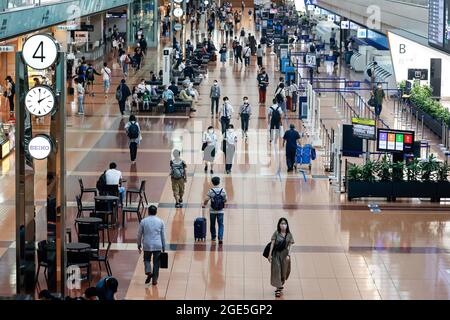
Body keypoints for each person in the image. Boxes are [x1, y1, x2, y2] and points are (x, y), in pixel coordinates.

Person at [137, 205, 166, 286]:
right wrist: (164, 246)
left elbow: (139, 234)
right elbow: (163, 235)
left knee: (146, 260)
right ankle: (154, 281)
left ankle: (148, 271)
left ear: (148, 212)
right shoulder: (160, 221)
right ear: (156, 212)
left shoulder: (143, 221)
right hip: (157, 245)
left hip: (147, 245)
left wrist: (138, 244)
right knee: (156, 263)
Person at [267, 218, 294, 298]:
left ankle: (281, 284)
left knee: (283, 271)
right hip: (276, 255)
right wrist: (269, 254)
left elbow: (290, 245)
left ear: (287, 225)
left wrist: (289, 255)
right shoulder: (276, 233)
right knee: (277, 270)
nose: (283, 225)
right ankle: (278, 288)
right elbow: (272, 243)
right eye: (281, 223)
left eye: (285, 223)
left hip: (285, 255)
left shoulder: (289, 234)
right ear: (279, 224)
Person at [202, 176, 228, 244]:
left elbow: (206, 199)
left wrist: (204, 205)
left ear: (212, 183)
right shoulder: (223, 190)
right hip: (220, 211)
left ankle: (213, 237)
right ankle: (220, 238)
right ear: (219, 182)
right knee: (221, 224)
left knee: (212, 224)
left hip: (212, 211)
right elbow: (225, 200)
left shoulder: (211, 191)